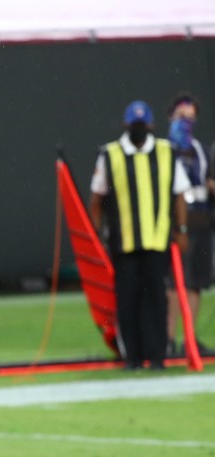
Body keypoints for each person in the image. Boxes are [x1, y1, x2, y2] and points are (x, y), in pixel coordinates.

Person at [89, 101, 191, 370]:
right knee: (128, 299)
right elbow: (97, 199)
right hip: (123, 242)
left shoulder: (166, 152)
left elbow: (180, 194)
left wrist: (181, 229)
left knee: (156, 298)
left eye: (142, 125)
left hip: (157, 240)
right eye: (134, 125)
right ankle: (132, 357)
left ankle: (157, 356)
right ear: (125, 125)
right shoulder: (110, 154)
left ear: (151, 126)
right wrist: (96, 235)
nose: (138, 129)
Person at [165, 94, 213, 355]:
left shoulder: (202, 151)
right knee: (174, 283)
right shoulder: (163, 152)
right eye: (182, 117)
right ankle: (169, 339)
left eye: (191, 118)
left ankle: (189, 341)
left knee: (196, 282)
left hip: (202, 221)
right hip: (176, 225)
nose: (187, 123)